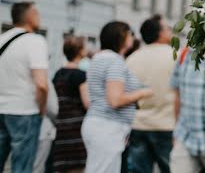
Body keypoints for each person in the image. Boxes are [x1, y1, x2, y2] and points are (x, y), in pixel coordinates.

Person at [82, 22, 152, 173]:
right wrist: (143, 92)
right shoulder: (114, 61)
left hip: (99, 123)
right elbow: (115, 100)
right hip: (107, 127)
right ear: (121, 37)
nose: (132, 37)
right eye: (130, 34)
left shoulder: (99, 58)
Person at [0, 2, 50, 173]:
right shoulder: (35, 41)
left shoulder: (2, 39)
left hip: (1, 107)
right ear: (29, 17)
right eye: (37, 13)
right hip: (24, 110)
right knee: (22, 166)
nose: (40, 17)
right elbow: (42, 84)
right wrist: (42, 109)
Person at [125, 16, 176, 173]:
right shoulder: (175, 56)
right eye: (168, 28)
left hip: (138, 124)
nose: (171, 30)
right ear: (160, 33)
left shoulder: (132, 58)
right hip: (167, 124)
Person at [52, 37, 90, 172]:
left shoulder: (58, 74)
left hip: (61, 126)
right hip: (77, 129)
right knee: (77, 168)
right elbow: (87, 103)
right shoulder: (81, 75)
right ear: (80, 52)